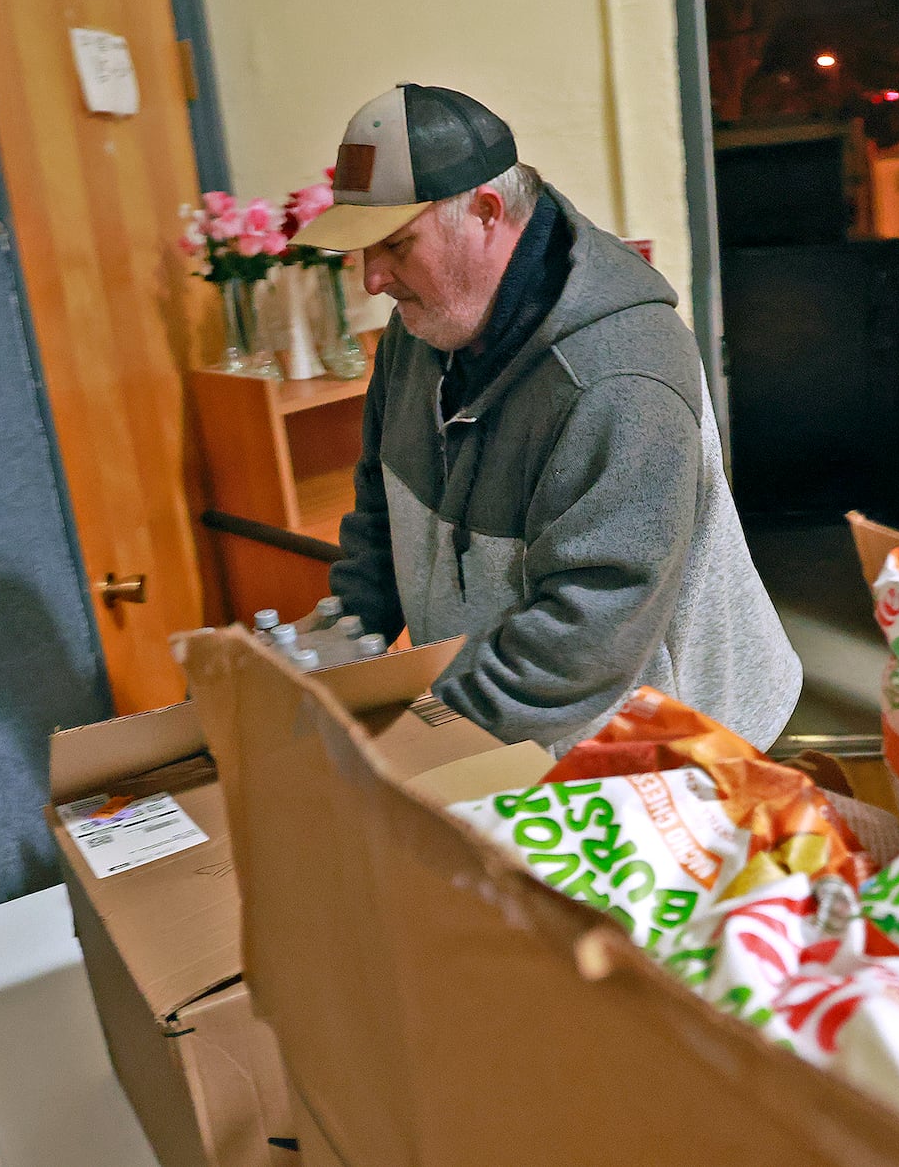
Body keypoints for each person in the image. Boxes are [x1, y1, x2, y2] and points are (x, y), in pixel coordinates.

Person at [291, 83, 801, 752]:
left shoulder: (619, 377)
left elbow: (589, 631)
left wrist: (424, 738)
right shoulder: (417, 337)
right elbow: (380, 517)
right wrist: (335, 649)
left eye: (396, 244)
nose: (372, 280)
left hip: (670, 742)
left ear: (486, 211)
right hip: (516, 719)